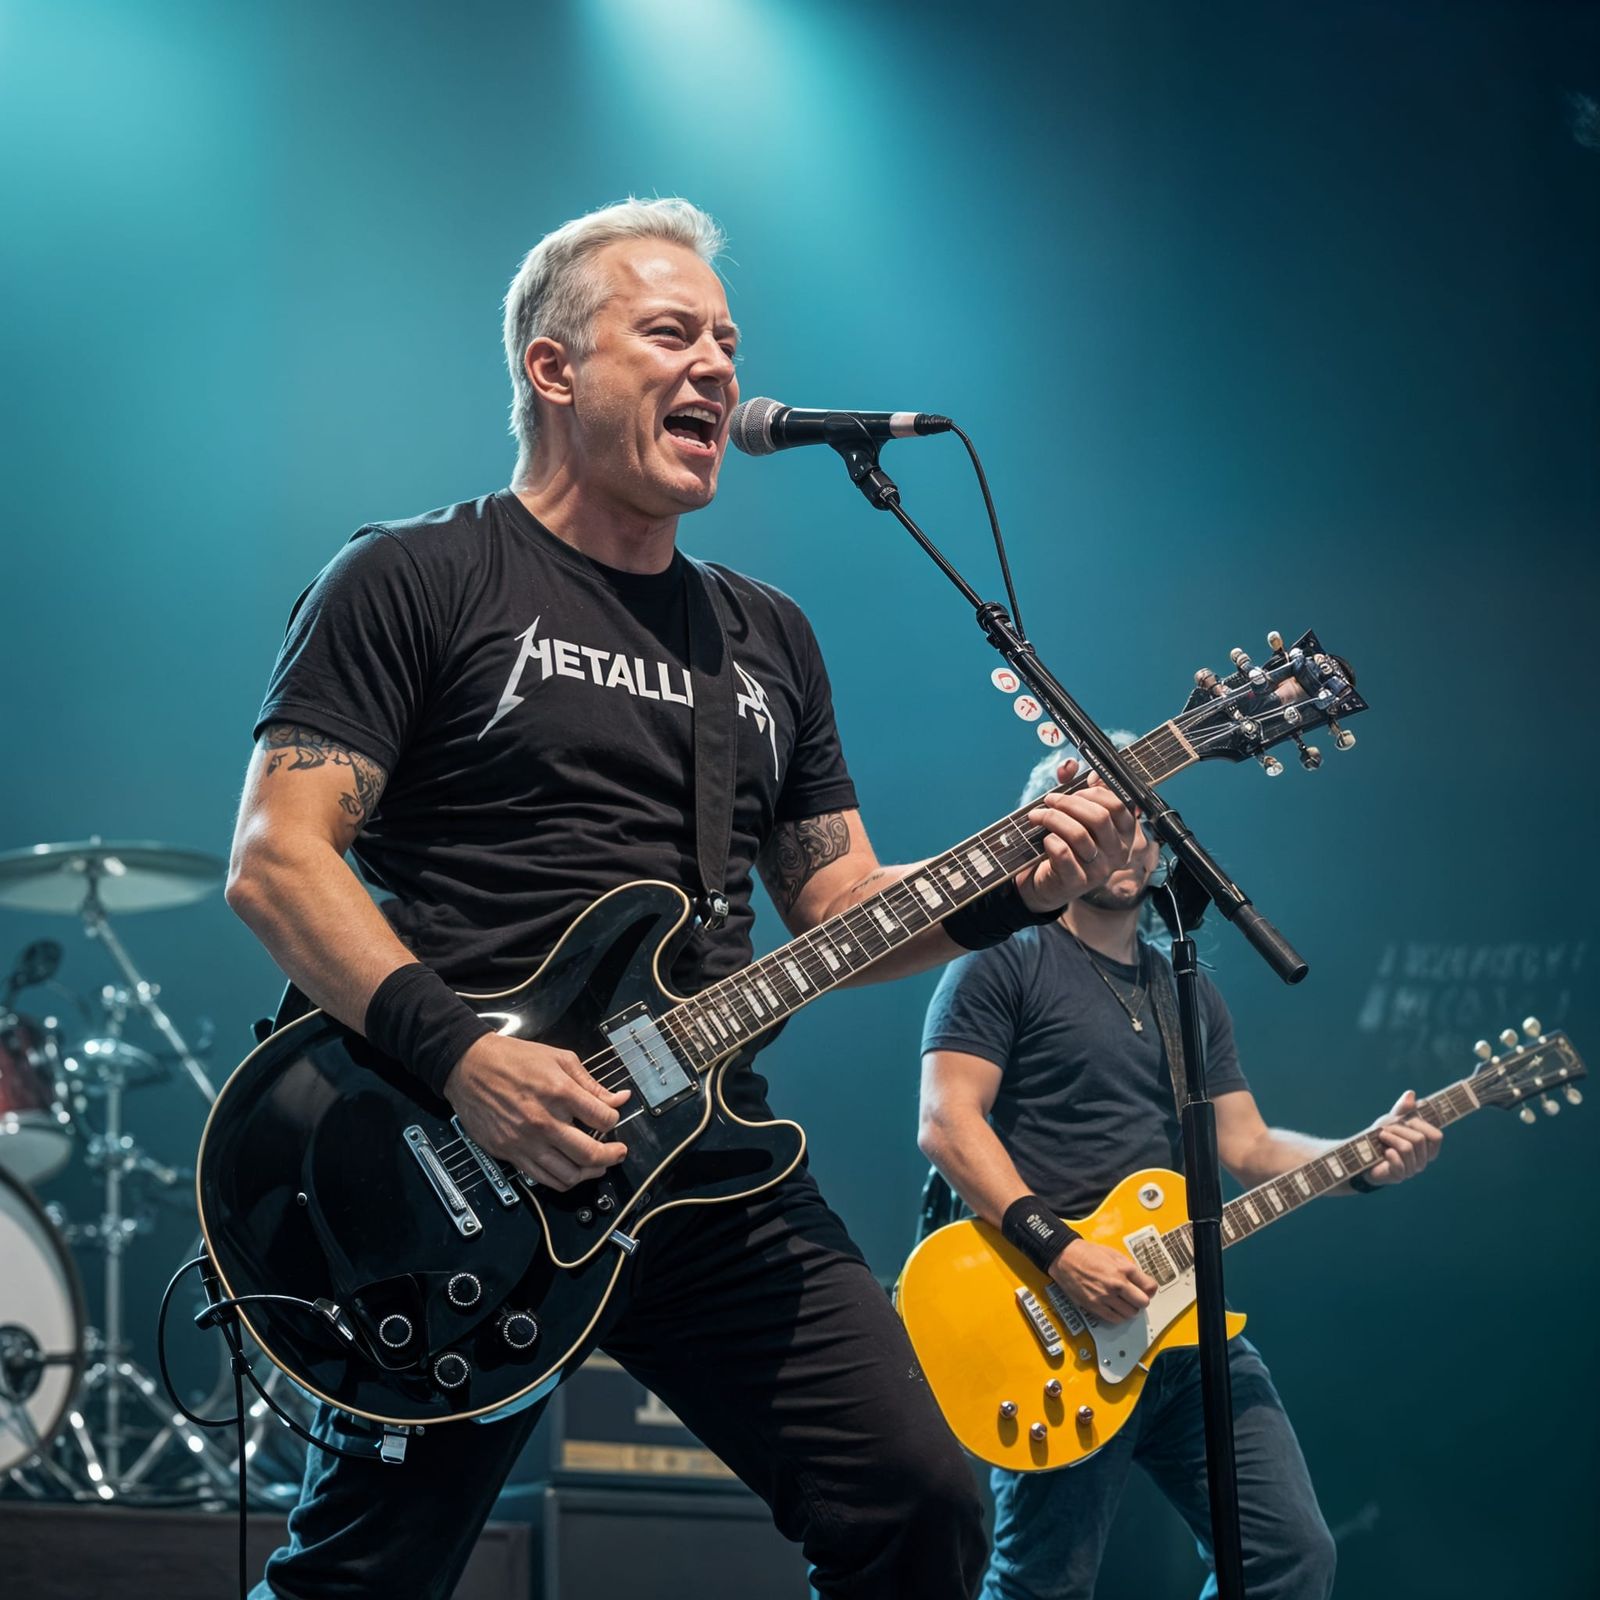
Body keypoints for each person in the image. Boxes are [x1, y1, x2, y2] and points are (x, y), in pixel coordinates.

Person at [224, 196, 1138, 1600]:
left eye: (727, 340)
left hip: (703, 1167)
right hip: (451, 1161)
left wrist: (1017, 884)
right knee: (363, 1579)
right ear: (552, 367)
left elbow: (839, 905)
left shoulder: (764, 635)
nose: (716, 364)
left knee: (917, 1506)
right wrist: (467, 1062)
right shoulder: (415, 575)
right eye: (670, 333)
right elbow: (278, 857)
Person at [917, 742, 1444, 1600]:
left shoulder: (1185, 989)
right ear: (1053, 835)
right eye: (1105, 818)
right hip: (1054, 1318)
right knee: (1045, 1583)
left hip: (1184, 1324)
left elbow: (1249, 1146)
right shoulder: (1004, 956)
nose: (1127, 838)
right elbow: (946, 1123)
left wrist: (1366, 1158)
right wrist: (1062, 1251)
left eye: (1141, 821)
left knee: (1291, 1558)